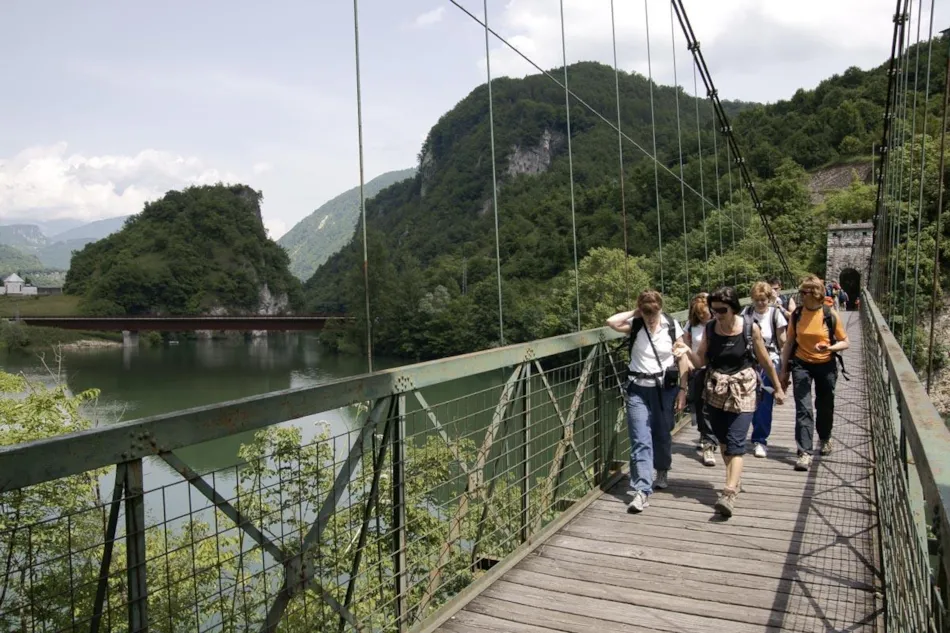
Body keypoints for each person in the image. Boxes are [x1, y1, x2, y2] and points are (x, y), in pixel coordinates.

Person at [675, 287, 785, 517]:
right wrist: (685, 351)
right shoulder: (710, 329)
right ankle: (735, 478)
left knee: (736, 442)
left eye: (722, 310)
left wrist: (777, 387)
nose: (717, 314)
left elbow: (764, 360)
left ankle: (729, 492)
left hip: (743, 389)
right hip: (716, 388)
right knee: (724, 441)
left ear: (733, 307)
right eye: (714, 310)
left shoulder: (749, 327)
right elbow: (700, 360)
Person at [607, 290, 689, 513]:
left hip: (664, 390)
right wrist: (637, 311)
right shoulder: (635, 324)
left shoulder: (671, 326)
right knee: (640, 439)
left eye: (654, 313)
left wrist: (683, 390)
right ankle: (641, 491)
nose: (651, 318)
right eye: (647, 313)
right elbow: (611, 322)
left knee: (662, 434)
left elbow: (682, 357)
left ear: (661, 309)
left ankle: (662, 468)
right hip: (637, 390)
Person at [779, 275, 850, 472]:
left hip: (826, 364)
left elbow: (845, 342)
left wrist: (829, 348)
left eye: (806, 292)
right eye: (801, 291)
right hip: (801, 365)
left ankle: (825, 438)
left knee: (825, 406)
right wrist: (783, 370)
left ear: (816, 293)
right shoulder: (797, 314)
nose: (801, 295)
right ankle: (804, 452)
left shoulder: (829, 314)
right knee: (804, 409)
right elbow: (790, 342)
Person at [742, 282, 787, 458]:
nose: (761, 303)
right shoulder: (746, 313)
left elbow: (783, 343)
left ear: (769, 299)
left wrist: (784, 370)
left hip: (769, 361)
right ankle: (746, 435)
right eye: (757, 300)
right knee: (747, 400)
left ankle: (760, 440)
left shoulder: (776, 314)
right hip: (749, 361)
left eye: (764, 299)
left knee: (764, 403)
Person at [682, 292, 718, 466]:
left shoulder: (719, 322)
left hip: (717, 371)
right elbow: (686, 346)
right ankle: (707, 442)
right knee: (701, 407)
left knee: (713, 408)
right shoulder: (690, 326)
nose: (705, 316)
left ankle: (711, 438)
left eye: (706, 312)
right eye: (700, 314)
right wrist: (688, 362)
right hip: (698, 371)